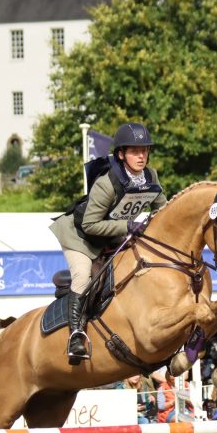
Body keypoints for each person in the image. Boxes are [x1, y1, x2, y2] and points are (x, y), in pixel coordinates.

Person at [49, 122, 168, 361]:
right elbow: (90, 225)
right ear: (121, 154)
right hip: (80, 237)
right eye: (135, 151)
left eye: (144, 150)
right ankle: (75, 336)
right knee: (83, 276)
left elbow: (163, 210)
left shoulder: (150, 176)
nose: (141, 156)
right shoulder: (107, 183)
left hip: (112, 235)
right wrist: (128, 226)